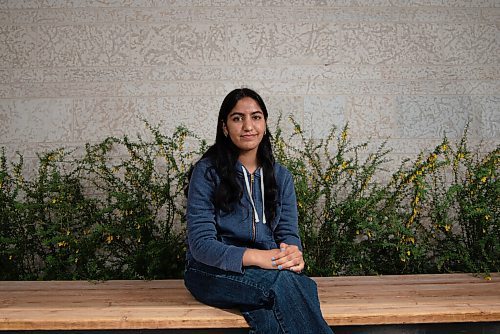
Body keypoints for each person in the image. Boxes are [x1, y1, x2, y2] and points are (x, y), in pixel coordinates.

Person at [184, 88, 333, 334]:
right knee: (287, 285)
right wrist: (259, 257)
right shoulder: (207, 173)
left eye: (256, 117)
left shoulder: (281, 177)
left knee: (288, 297)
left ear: (264, 123)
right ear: (224, 127)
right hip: (209, 272)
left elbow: (288, 234)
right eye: (237, 118)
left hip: (267, 272)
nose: (248, 126)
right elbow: (201, 245)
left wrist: (292, 254)